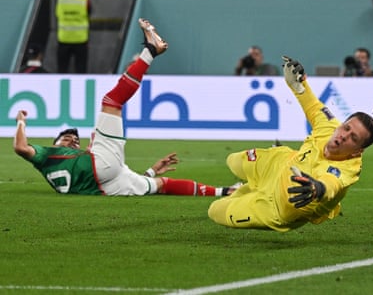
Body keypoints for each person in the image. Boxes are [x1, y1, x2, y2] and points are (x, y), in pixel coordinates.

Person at [14, 18, 231, 197]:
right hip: (100, 171)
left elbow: (112, 168)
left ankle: (225, 191)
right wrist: (21, 122)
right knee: (112, 102)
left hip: (103, 184)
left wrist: (151, 170)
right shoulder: (49, 155)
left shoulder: (55, 161)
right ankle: (149, 52)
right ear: (55, 145)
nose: (72, 139)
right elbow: (21, 147)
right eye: (67, 138)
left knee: (161, 183)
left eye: (74, 139)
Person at [208, 56, 373, 232]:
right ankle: (249, 186)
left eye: (353, 138)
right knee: (232, 161)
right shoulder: (329, 126)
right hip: (277, 164)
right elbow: (312, 104)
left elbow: (331, 185)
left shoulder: (348, 169)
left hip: (275, 207)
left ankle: (246, 192)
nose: (344, 136)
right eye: (346, 128)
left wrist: (317, 188)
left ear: (357, 151)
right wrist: (297, 83)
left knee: (215, 210)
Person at [55, 0, 91, 73]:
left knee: (62, 69)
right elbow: (89, 12)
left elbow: (57, 14)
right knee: (81, 69)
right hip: (80, 39)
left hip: (64, 38)